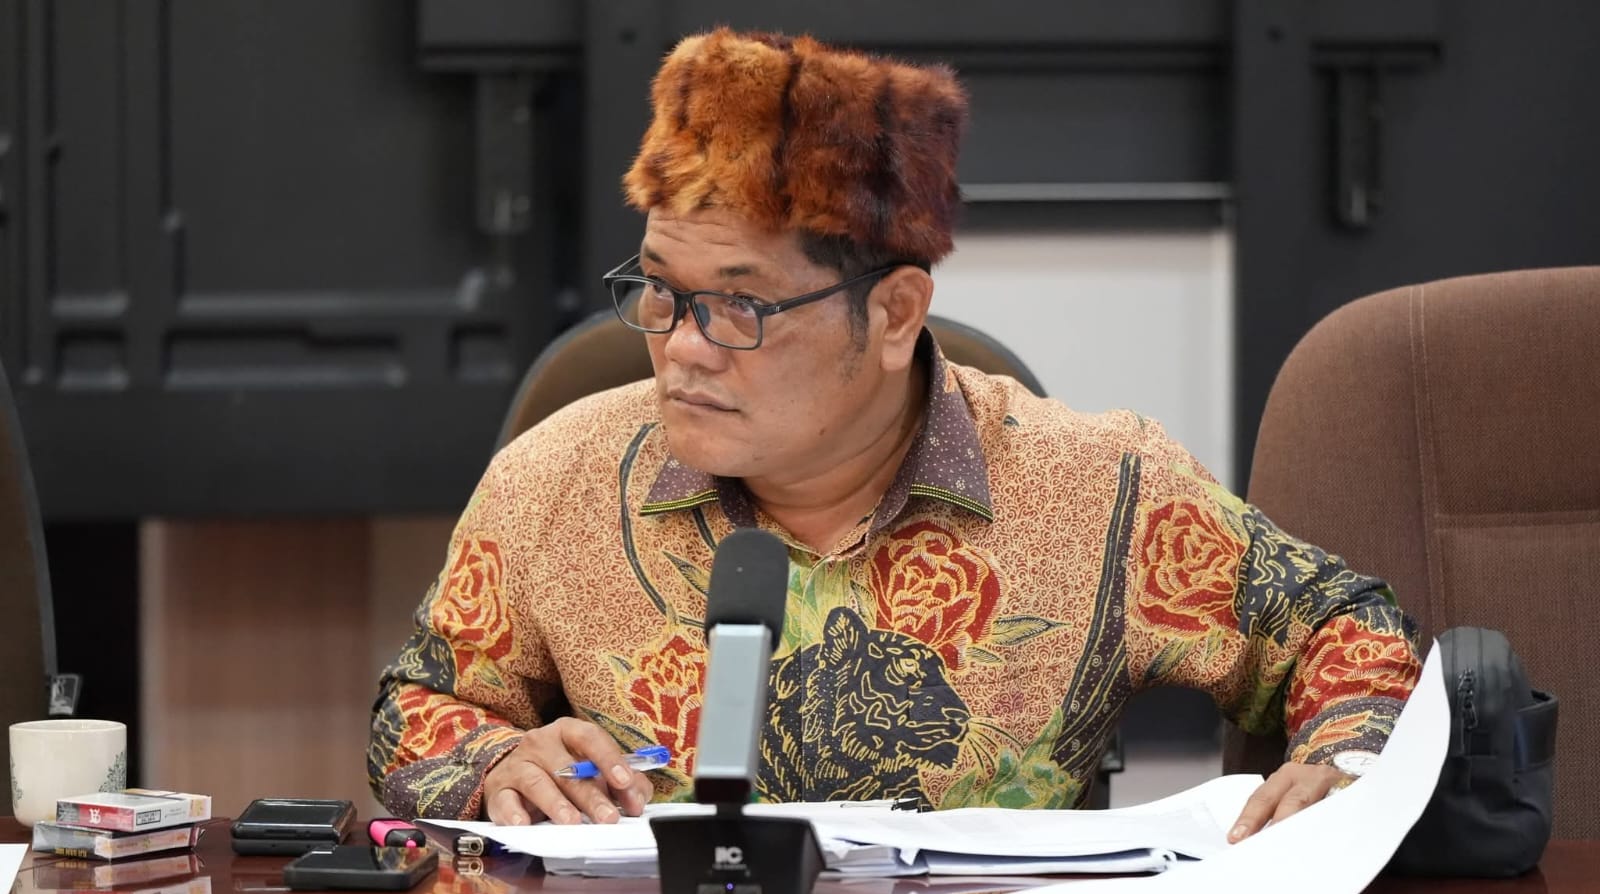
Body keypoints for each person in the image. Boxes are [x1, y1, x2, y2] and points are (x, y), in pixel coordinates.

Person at [367, 28, 1420, 839]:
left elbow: (1341, 626)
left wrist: (1347, 759)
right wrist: (490, 760)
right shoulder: (553, 480)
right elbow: (419, 704)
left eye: (739, 305)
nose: (681, 348)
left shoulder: (1098, 486)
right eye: (660, 290)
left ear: (893, 314)